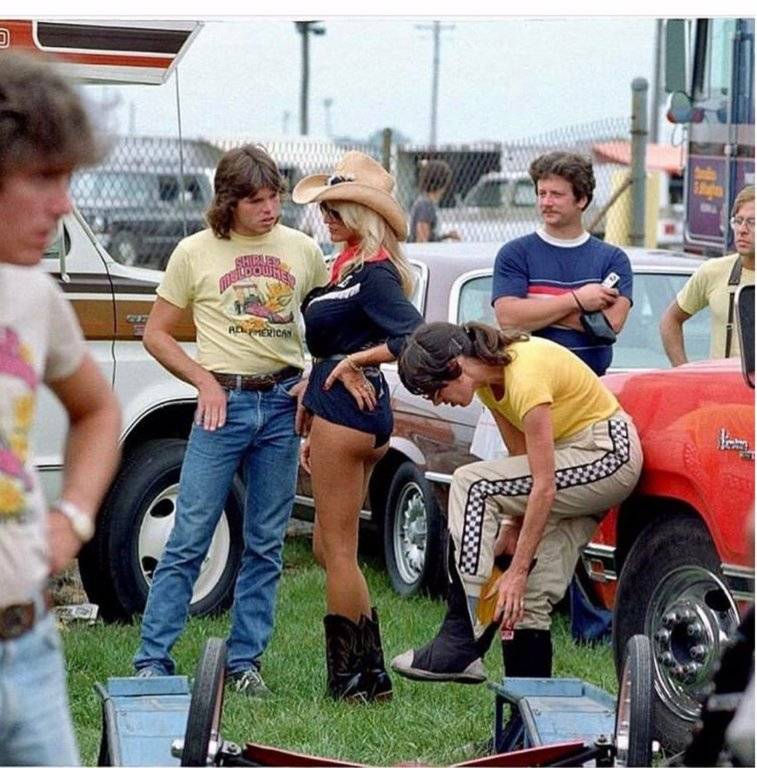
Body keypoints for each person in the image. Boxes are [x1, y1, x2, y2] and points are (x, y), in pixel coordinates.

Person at [133, 144, 329, 697]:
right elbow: (156, 333)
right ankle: (153, 660)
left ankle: (245, 664)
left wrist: (315, 374)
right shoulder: (194, 252)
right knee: (190, 534)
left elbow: (326, 323)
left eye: (275, 198)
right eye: (257, 201)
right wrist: (204, 381)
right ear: (229, 202)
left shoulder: (303, 250)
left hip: (282, 403)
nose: (270, 210)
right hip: (224, 404)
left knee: (266, 542)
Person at [390, 321, 642, 683]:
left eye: (434, 390)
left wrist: (518, 569)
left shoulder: (526, 374)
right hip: (570, 463)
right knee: (525, 603)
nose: (436, 401)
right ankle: (525, 717)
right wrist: (511, 528)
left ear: (454, 367)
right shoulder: (489, 387)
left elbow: (543, 486)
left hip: (608, 455)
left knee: (472, 484)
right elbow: (521, 464)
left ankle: (462, 636)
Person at [0, 51, 122, 766]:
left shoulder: (33, 297)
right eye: (45, 176)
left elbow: (98, 412)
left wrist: (73, 517)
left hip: (28, 650)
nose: (64, 205)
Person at [292, 151, 423, 702]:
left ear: (360, 213)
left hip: (349, 416)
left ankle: (350, 680)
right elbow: (335, 346)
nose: (325, 216)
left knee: (338, 551)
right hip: (348, 413)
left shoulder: (373, 273)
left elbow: (413, 337)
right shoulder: (346, 267)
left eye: (336, 207)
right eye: (324, 208)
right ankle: (369, 673)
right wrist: (318, 378)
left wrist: (353, 362)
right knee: (329, 549)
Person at [493, 151, 633, 377]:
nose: (546, 202)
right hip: (532, 381)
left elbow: (610, 325)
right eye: (542, 193)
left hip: (592, 382)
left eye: (556, 195)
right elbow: (508, 318)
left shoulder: (612, 259)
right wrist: (578, 300)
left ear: (581, 199)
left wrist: (535, 310)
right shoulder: (516, 254)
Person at [660, 185, 755, 365]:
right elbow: (670, 320)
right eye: (738, 221)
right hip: (721, 381)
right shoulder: (713, 271)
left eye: (752, 222)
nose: (742, 229)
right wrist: (684, 372)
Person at [408, 159, 461, 243]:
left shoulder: (427, 203)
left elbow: (429, 238)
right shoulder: (425, 205)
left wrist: (446, 236)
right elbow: (422, 240)